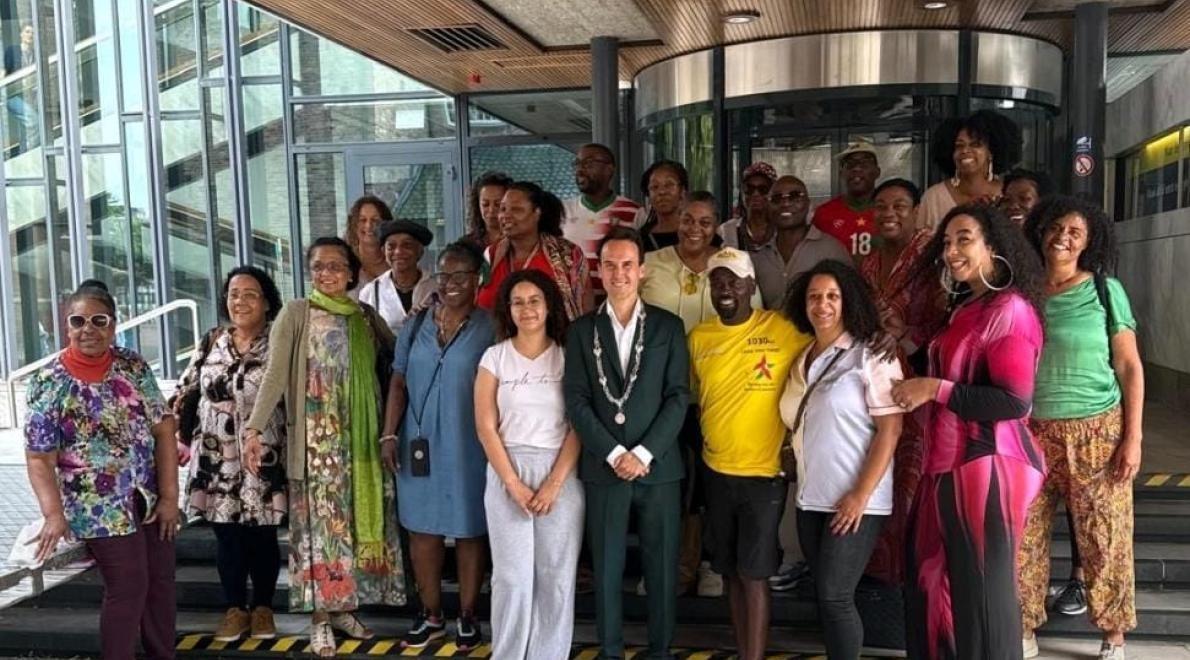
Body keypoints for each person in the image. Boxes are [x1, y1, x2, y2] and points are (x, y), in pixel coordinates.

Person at [892, 204, 1046, 660]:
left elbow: (1014, 402)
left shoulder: (1010, 310)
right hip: (946, 464)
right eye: (946, 242)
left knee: (982, 600)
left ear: (993, 246)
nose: (951, 251)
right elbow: (950, 368)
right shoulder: (969, 306)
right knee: (929, 582)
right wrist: (905, 341)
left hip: (988, 464)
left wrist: (931, 388)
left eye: (964, 239)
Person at [244, 236, 404, 657]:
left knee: (348, 528)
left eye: (335, 266)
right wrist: (253, 428)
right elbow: (275, 374)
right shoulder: (297, 313)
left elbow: (400, 356)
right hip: (316, 444)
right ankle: (319, 618)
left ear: (352, 273)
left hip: (361, 442)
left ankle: (344, 609)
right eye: (318, 266)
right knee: (317, 534)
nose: (326, 273)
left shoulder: (364, 316)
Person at [24, 280, 180, 660]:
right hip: (95, 505)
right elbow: (39, 458)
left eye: (99, 320)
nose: (88, 329)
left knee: (160, 583)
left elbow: (164, 429)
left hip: (147, 495)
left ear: (113, 325)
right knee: (129, 586)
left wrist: (170, 497)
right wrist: (53, 514)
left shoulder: (133, 366)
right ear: (66, 326)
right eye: (78, 321)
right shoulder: (49, 382)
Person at [1019, 196, 1144, 660]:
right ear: (1039, 232)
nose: (1063, 238)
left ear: (1089, 241)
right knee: (1024, 537)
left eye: (1075, 232)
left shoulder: (1106, 291)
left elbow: (1129, 366)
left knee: (1105, 536)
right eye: (1055, 228)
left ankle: (1113, 634)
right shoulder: (1023, 292)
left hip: (1097, 431)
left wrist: (1133, 437)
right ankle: (1024, 626)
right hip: (1030, 431)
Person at [563, 226, 690, 659]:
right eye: (610, 265)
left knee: (661, 567)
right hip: (604, 466)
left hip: (659, 467)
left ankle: (661, 650)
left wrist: (643, 453)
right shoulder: (581, 331)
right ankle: (611, 649)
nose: (619, 274)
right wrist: (616, 453)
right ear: (599, 270)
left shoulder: (668, 327)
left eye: (627, 265)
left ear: (642, 270)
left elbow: (678, 396)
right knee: (606, 566)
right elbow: (576, 400)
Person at [688, 248, 811, 660]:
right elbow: (697, 399)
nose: (725, 289)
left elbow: (828, 352)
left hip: (763, 474)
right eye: (718, 282)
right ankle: (743, 650)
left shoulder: (782, 328)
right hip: (715, 470)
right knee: (728, 572)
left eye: (734, 281)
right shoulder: (699, 338)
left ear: (751, 286)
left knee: (754, 574)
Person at [779, 259, 904, 659]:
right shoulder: (801, 357)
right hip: (810, 498)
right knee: (825, 596)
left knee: (835, 596)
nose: (823, 305)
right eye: (814, 297)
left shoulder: (872, 354)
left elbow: (890, 430)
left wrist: (859, 495)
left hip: (856, 500)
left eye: (833, 296)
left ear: (849, 301)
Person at [641, 191, 761, 597]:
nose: (695, 228)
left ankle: (709, 564)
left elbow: (754, 322)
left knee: (710, 486)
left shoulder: (731, 264)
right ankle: (670, 566)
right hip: (659, 394)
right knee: (667, 485)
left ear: (717, 225)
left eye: (705, 221)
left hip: (718, 396)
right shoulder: (652, 263)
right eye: (688, 219)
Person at [381, 241, 496, 651]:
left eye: (460, 275)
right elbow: (398, 381)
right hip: (418, 442)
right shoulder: (416, 325)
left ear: (477, 280)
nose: (450, 283)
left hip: (471, 445)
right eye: (444, 275)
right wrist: (389, 433)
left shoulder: (491, 326)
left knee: (469, 530)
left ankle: (467, 615)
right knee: (422, 531)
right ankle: (430, 615)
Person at [172, 266, 287, 642]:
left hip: (263, 454)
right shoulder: (212, 340)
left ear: (267, 302)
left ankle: (264, 609)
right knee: (227, 536)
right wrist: (173, 432)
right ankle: (235, 609)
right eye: (234, 294)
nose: (240, 301)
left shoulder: (279, 341)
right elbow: (186, 389)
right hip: (216, 456)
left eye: (250, 294)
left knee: (263, 536)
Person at [474, 269, 584, 659]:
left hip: (560, 471)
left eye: (534, 300)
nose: (527, 309)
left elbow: (579, 424)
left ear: (549, 305)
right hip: (508, 468)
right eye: (517, 302)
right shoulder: (495, 357)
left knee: (556, 576)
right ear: (507, 309)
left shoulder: (568, 356)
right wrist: (513, 484)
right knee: (512, 577)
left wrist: (554, 484)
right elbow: (486, 426)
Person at [858, 178, 945, 585]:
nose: (888, 213)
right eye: (881, 206)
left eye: (899, 206)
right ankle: (881, 569)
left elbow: (948, 322)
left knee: (914, 474)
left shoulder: (934, 256)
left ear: (916, 211)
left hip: (921, 382)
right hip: (878, 382)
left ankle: (913, 574)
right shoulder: (870, 263)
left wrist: (906, 337)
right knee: (879, 468)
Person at [477, 181, 592, 320]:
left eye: (516, 209)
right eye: (503, 209)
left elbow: (586, 311)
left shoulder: (567, 254)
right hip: (496, 334)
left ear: (537, 213)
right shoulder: (491, 254)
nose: (505, 215)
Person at [749, 175, 852, 310]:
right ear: (768, 206)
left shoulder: (832, 250)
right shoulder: (759, 257)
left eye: (795, 196)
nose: (785, 204)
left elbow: (851, 303)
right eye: (776, 198)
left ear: (808, 204)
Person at [919, 110, 1022, 231]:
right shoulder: (934, 197)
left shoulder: (1007, 193)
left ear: (991, 151)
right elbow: (920, 241)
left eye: (975, 145)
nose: (965, 151)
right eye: (959, 146)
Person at [563, 143, 641, 296]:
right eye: (577, 164)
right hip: (572, 303)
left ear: (609, 169)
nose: (580, 169)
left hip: (616, 301)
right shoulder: (563, 210)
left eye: (588, 163)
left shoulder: (634, 212)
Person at [358, 219, 436, 335]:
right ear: (383, 251)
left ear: (420, 251)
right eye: (391, 247)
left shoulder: (436, 287)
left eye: (407, 245)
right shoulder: (371, 292)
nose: (398, 252)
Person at [812, 143, 881, 258]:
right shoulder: (823, 214)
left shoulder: (889, 212)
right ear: (841, 173)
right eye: (850, 164)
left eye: (864, 164)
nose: (856, 168)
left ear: (877, 172)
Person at [720, 162, 778, 251]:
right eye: (749, 189)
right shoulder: (726, 231)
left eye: (763, 189)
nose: (755, 194)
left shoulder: (782, 230)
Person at [345, 195, 395, 293]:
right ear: (354, 225)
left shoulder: (396, 260)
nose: (368, 225)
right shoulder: (346, 262)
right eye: (362, 220)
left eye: (375, 220)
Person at [637, 160, 689, 252]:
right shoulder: (640, 239)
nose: (662, 192)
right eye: (655, 187)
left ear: (682, 191)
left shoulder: (697, 234)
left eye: (669, 185)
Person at [464, 171, 513, 249]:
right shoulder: (467, 246)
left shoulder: (521, 242)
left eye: (498, 204)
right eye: (485, 204)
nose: (491, 210)